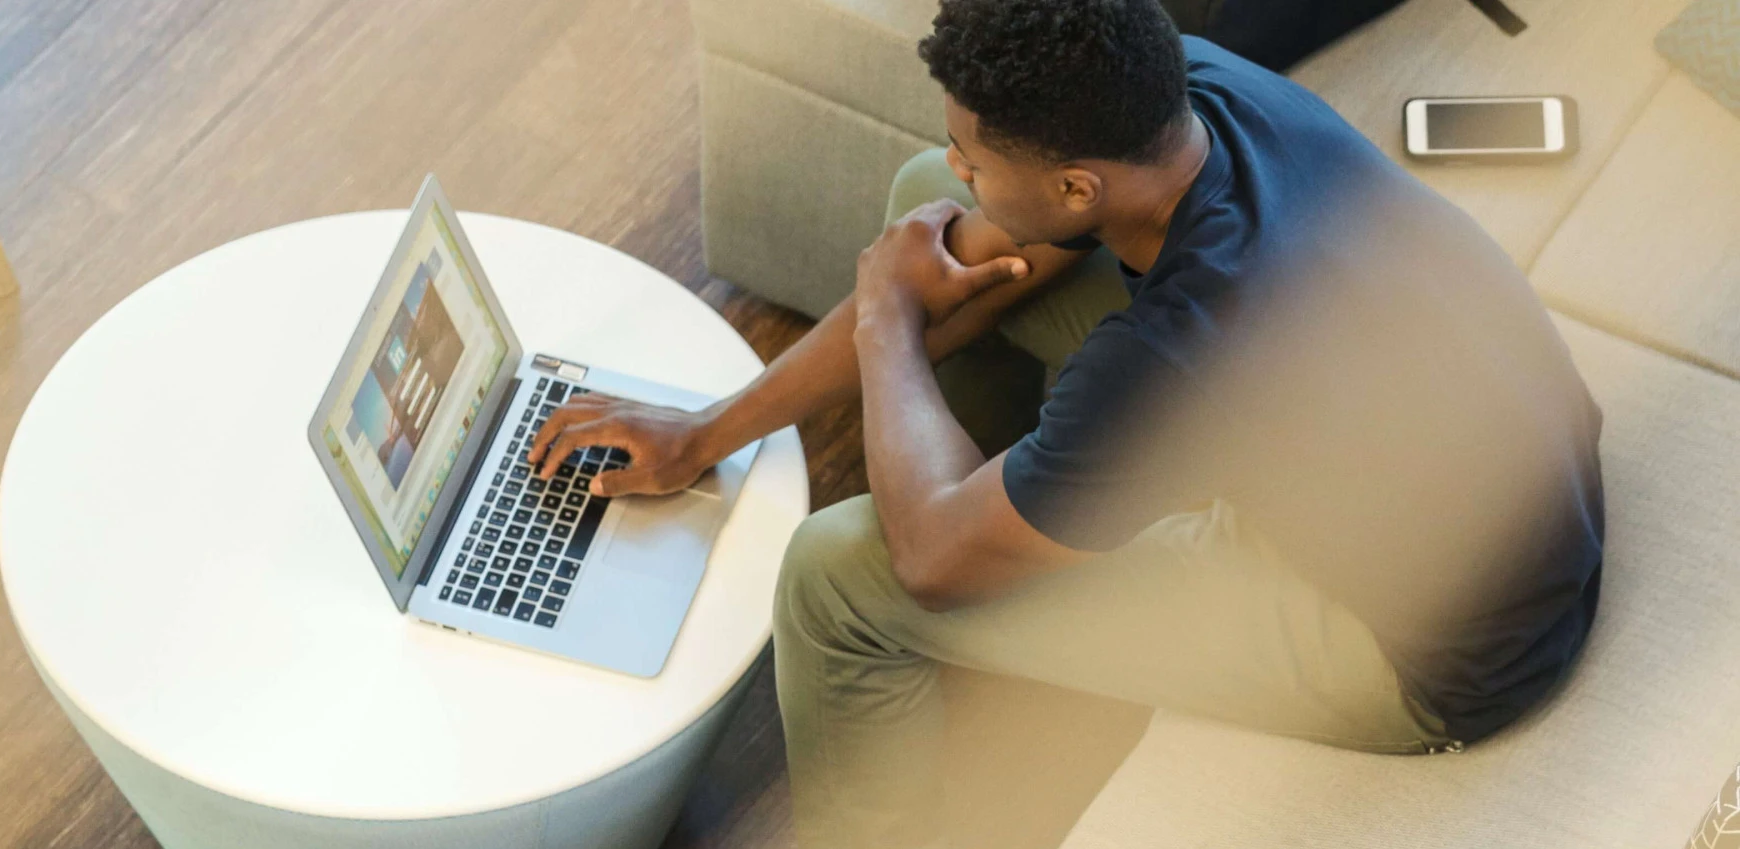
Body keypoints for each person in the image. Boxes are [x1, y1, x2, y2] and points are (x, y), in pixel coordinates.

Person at [527, 0, 1604, 846]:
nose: (960, 167)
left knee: (838, 575)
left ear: (1082, 184)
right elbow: (992, 241)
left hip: (1426, 648)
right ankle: (1020, 514)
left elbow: (928, 562)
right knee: (936, 219)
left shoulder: (1191, 343)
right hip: (1496, 479)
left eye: (977, 156)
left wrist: (889, 326)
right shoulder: (1194, 92)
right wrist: (706, 430)